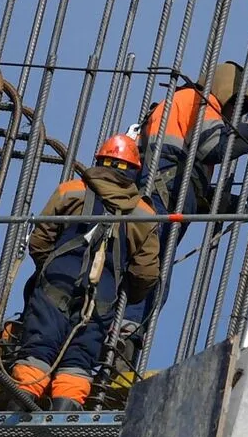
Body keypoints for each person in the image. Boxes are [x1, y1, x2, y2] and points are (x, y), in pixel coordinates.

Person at [117, 60, 248, 340]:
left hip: (164, 192)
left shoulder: (187, 111)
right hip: (160, 193)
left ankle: (127, 335)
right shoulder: (198, 101)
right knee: (149, 266)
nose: (232, 116)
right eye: (233, 106)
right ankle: (125, 330)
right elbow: (214, 148)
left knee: (152, 268)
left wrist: (232, 205)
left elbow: (193, 191)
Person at [10, 135, 161, 409]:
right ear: (134, 171)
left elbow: (40, 240)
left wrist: (50, 270)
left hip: (58, 279)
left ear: (100, 160)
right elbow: (146, 273)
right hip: (102, 292)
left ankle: (20, 405)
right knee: (80, 354)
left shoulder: (70, 190)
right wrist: (127, 292)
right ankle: (63, 413)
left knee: (40, 343)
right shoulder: (145, 214)